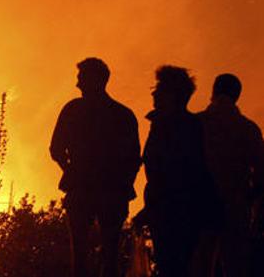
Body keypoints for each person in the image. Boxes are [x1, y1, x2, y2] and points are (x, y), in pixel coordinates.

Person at [49, 57, 141, 277]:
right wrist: (123, 184)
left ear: (95, 80)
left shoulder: (73, 110)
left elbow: (56, 149)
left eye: (81, 78)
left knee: (79, 257)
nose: (77, 84)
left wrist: (70, 170)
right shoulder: (123, 115)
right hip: (113, 193)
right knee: (111, 257)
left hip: (82, 190)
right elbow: (134, 159)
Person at [135, 65, 218, 277]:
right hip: (171, 212)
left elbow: (175, 176)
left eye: (159, 88)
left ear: (173, 94)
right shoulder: (173, 124)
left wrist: (151, 208)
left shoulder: (181, 127)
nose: (154, 92)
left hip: (177, 214)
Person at [199, 74, 264, 277]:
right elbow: (261, 173)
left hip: (200, 204)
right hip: (235, 205)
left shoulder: (196, 124)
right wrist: (249, 199)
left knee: (201, 266)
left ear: (213, 92)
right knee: (236, 267)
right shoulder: (248, 129)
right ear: (237, 96)